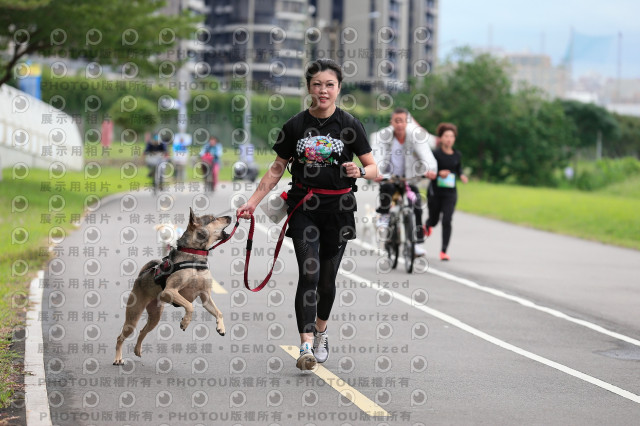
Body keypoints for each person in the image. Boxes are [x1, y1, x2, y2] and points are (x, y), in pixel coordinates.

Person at [236, 59, 377, 371]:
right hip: (305, 211)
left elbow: (374, 168)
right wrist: (252, 202)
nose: (323, 90)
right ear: (309, 88)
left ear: (339, 88)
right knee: (309, 275)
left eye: (329, 85)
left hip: (339, 213)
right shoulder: (295, 125)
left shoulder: (350, 125)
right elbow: (275, 169)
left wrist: (361, 171)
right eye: (317, 85)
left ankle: (322, 330)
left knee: (326, 281)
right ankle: (306, 345)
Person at [371, 107, 438, 256]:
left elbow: (426, 155)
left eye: (404, 121)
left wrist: (430, 170)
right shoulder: (383, 136)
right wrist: (378, 173)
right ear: (391, 122)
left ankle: (416, 244)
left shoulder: (416, 135)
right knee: (387, 191)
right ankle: (383, 217)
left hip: (409, 178)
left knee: (417, 205)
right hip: (389, 176)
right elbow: (377, 155)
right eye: (397, 121)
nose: (400, 124)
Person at [426, 122, 468, 261]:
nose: (449, 139)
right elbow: (429, 171)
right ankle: (428, 225)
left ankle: (444, 251)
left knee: (447, 220)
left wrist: (461, 175)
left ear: (454, 138)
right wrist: (439, 174)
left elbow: (458, 168)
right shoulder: (435, 154)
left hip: (450, 193)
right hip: (435, 192)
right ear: (441, 138)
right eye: (446, 136)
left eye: (452, 136)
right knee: (434, 220)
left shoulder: (457, 154)